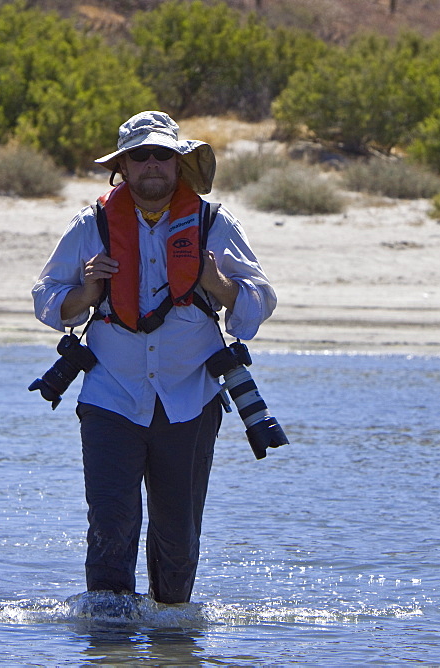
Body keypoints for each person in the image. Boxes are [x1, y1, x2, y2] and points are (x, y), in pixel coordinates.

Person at [32, 110, 277, 605]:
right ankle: (108, 637)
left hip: (190, 399)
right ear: (122, 166)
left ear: (178, 163)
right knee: (109, 522)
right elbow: (46, 299)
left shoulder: (213, 223)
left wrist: (217, 284)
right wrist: (86, 291)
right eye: (139, 156)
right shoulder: (91, 224)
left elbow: (260, 300)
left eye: (162, 155)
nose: (151, 165)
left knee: (178, 533)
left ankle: (171, 633)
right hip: (109, 397)